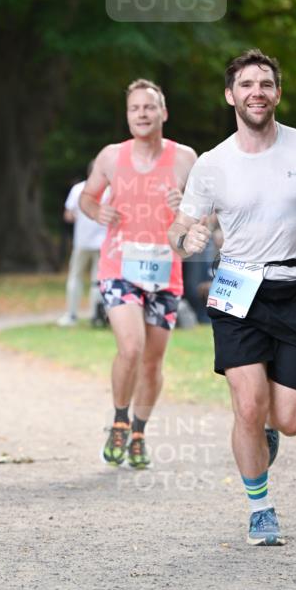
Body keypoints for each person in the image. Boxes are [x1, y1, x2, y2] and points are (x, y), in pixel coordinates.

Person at [169, 49, 296, 547]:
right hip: (237, 291)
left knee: (288, 420)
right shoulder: (212, 164)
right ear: (231, 95)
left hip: (294, 291)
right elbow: (180, 232)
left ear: (278, 92)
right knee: (248, 405)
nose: (257, 92)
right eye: (247, 84)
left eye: (266, 83)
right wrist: (188, 240)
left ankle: (267, 429)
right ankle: (260, 508)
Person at [80, 79, 197, 469]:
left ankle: (139, 431)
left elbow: (207, 213)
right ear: (127, 116)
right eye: (135, 109)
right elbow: (87, 196)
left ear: (163, 113)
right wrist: (97, 211)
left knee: (152, 361)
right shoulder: (112, 156)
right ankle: (119, 421)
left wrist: (187, 207)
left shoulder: (185, 159)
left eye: (149, 107)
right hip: (120, 266)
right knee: (130, 347)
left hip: (166, 269)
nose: (142, 114)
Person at [57, 163, 107, 327]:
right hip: (102, 243)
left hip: (82, 242)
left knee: (75, 277)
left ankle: (71, 314)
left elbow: (68, 215)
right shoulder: (109, 191)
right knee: (97, 281)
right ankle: (96, 315)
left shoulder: (78, 189)